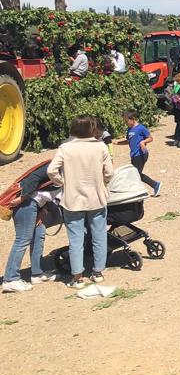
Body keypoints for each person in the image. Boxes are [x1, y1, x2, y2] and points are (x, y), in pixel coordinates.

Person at [47, 115, 114, 289]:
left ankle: (77, 277)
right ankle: (98, 272)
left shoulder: (65, 148)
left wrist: (62, 183)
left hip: (72, 199)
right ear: (92, 128)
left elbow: (51, 170)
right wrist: (102, 183)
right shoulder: (101, 147)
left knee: (75, 239)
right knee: (99, 235)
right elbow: (109, 173)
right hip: (97, 198)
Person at [2, 164, 60, 293]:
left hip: (35, 205)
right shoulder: (55, 165)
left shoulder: (67, 168)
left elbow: (48, 193)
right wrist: (21, 198)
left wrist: (43, 211)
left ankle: (37, 273)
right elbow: (33, 178)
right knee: (23, 239)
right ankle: (10, 279)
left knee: (39, 234)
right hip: (26, 204)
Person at [121, 111, 160, 195]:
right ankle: (154, 185)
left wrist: (143, 142)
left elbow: (150, 138)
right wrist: (116, 143)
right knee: (135, 174)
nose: (126, 123)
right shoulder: (129, 129)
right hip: (134, 155)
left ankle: (154, 185)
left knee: (136, 174)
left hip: (141, 154)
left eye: (127, 121)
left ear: (133, 119)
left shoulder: (141, 128)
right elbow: (128, 141)